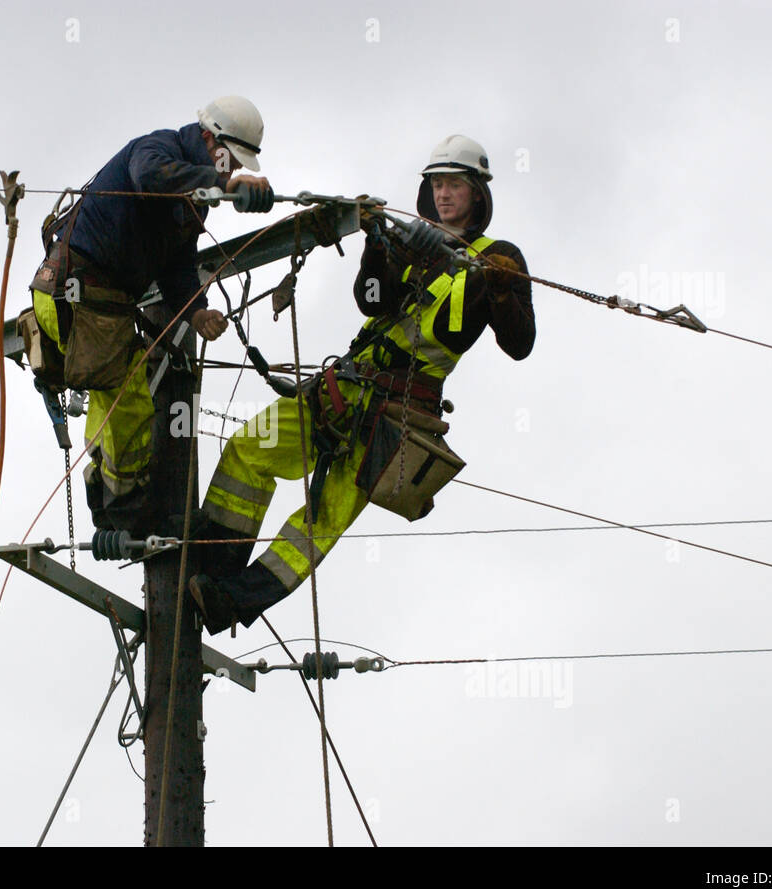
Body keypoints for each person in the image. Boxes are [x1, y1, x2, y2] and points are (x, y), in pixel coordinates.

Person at [189, 134, 535, 634]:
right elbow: (372, 301)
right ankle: (209, 570)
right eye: (437, 184)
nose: (443, 194)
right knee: (248, 448)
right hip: (344, 385)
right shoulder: (410, 239)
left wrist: (500, 287)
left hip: (397, 413)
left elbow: (519, 343)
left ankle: (230, 601)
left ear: (477, 193)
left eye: (454, 184)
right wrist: (380, 247)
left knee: (322, 519)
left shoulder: (498, 257)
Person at [27, 96, 274, 534]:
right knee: (130, 406)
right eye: (228, 160)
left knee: (118, 403)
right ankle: (123, 515)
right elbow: (149, 177)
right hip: (77, 298)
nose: (228, 171)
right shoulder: (158, 149)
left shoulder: (190, 205)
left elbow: (177, 268)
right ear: (206, 137)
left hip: (93, 308)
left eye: (236, 166)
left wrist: (196, 313)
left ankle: (113, 506)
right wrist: (223, 187)